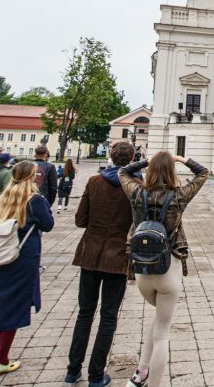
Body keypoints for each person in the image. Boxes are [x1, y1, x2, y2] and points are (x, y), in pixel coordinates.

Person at [119, 151, 209, 387]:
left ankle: (140, 373)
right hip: (168, 268)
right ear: (171, 171)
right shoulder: (178, 196)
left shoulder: (137, 193)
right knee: (162, 333)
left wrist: (145, 161)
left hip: (141, 270)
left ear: (149, 171)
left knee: (159, 320)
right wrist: (182, 159)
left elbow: (122, 171)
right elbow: (203, 173)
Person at [0, 161, 54, 376]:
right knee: (15, 306)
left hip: (0, 254)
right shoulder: (35, 199)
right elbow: (48, 224)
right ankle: (3, 359)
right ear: (32, 176)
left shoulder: (5, 196)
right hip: (23, 256)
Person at [65, 142, 135, 387]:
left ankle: (72, 371)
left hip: (90, 254)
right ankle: (96, 375)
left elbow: (80, 219)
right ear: (133, 158)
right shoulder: (136, 187)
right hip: (118, 258)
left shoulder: (94, 182)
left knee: (84, 313)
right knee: (108, 316)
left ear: (112, 158)